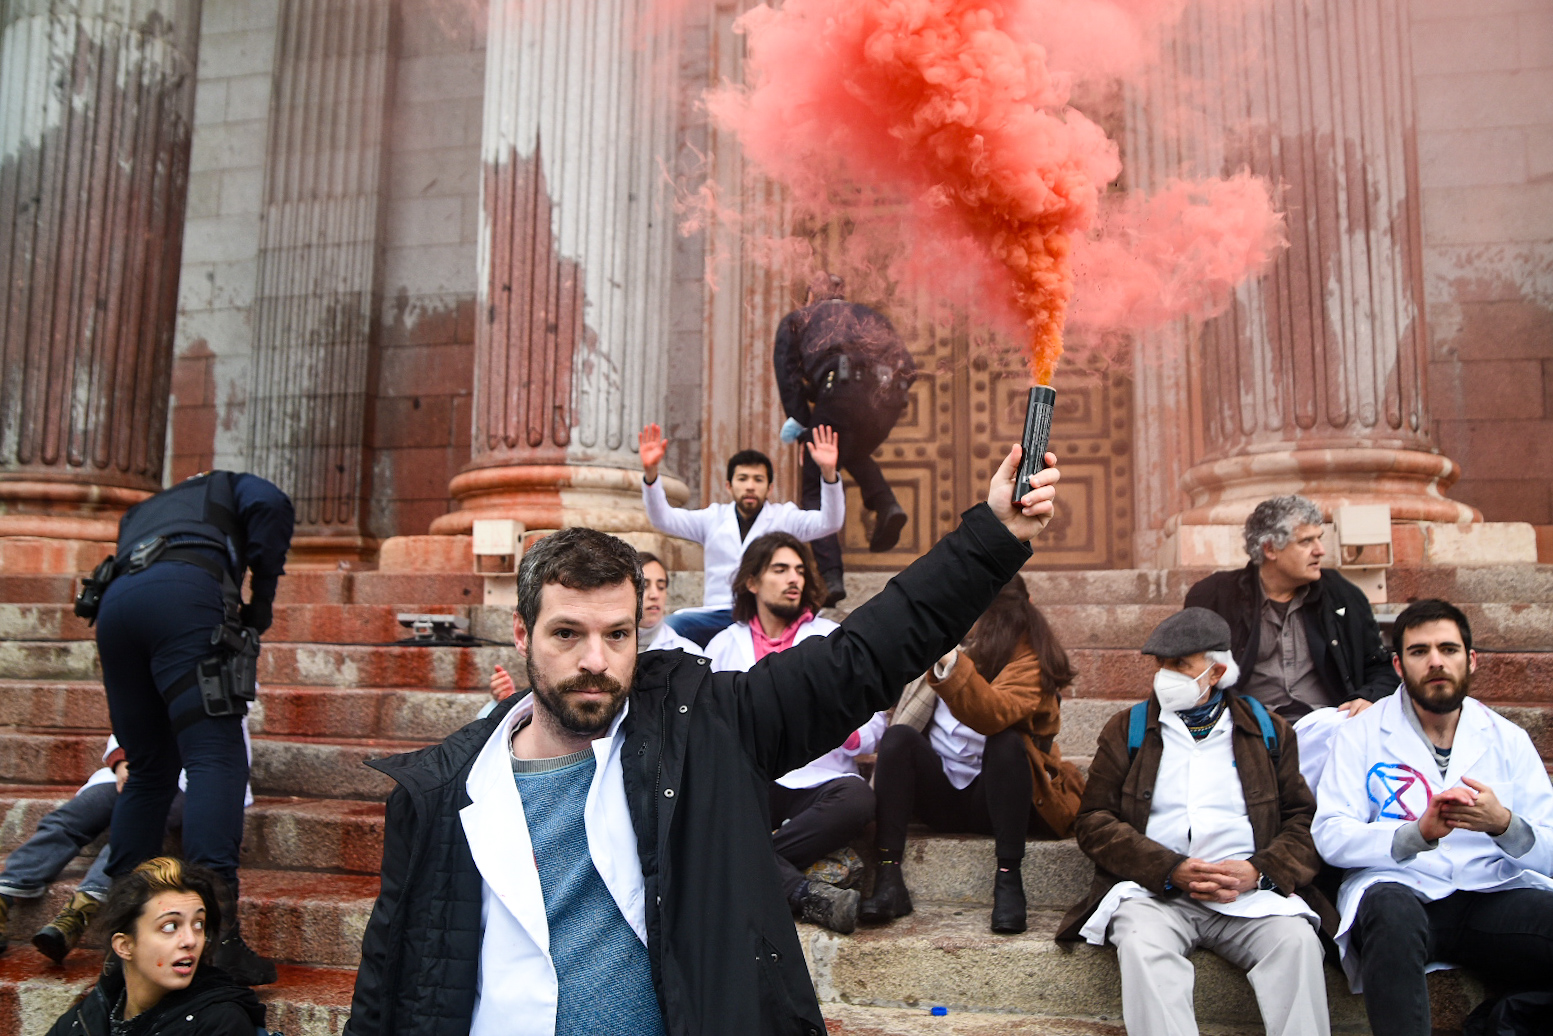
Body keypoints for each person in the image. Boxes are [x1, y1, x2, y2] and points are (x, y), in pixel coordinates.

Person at [343, 445, 1062, 1036]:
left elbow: (863, 657)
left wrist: (990, 536)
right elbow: (386, 983)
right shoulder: (440, 792)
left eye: (616, 634)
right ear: (522, 635)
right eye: (567, 633)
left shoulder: (705, 726)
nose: (595, 659)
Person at [1056, 608, 1333, 1036]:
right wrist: (1169, 869)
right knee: (1143, 946)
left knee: (1297, 945)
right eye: (1161, 665)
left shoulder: (1269, 731)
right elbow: (1093, 820)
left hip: (1248, 896)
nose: (1165, 675)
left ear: (1216, 671)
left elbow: (1302, 821)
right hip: (1155, 893)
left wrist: (1258, 872)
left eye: (1180, 665)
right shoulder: (1126, 729)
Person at [1311, 599, 1553, 1036]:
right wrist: (1415, 834)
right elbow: (1330, 834)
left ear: (1471, 659)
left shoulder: (1507, 739)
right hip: (1404, 891)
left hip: (1490, 894)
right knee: (1388, 910)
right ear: (1399, 666)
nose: (1436, 661)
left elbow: (1550, 848)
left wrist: (1504, 824)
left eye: (1449, 649)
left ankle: (1500, 1023)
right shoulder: (1360, 734)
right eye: (1420, 652)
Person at [94, 469, 294, 985]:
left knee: (149, 771)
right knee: (214, 756)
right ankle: (218, 935)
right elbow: (272, 505)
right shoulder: (234, 482)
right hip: (182, 594)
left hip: (115, 604)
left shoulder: (145, 508)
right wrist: (261, 601)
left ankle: (124, 936)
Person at [861, 576, 1084, 934]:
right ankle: (888, 877)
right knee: (899, 738)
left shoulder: (1029, 657)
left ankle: (1009, 881)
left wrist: (952, 664)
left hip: (999, 799)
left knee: (1007, 742)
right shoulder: (940, 641)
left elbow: (992, 714)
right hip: (942, 796)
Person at [706, 532, 886, 934]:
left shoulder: (830, 639)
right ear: (752, 581)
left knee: (857, 798)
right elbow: (704, 725)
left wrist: (842, 727)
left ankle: (742, 865)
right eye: (780, 569)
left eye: (800, 571)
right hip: (750, 783)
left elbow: (875, 727)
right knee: (711, 803)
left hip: (817, 786)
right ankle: (805, 892)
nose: (794, 579)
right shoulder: (722, 646)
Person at [0, 726, 253, 963]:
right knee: (69, 819)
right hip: (130, 774)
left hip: (184, 786)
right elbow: (127, 724)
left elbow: (223, 754)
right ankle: (7, 890)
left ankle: (79, 912)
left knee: (135, 828)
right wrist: (120, 761)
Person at [1184, 494, 1394, 721]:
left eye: (1319, 538)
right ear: (1270, 549)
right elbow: (1186, 671)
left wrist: (1367, 697)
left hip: (1327, 726)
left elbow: (1380, 667)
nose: (1320, 550)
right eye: (1306, 541)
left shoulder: (1342, 595)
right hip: (1248, 730)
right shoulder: (1216, 596)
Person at [774, 272, 918, 598]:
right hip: (888, 399)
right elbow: (909, 366)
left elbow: (789, 378)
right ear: (843, 293)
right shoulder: (872, 316)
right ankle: (886, 504)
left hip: (840, 393)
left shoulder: (798, 319)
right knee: (847, 450)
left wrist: (803, 429)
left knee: (815, 482)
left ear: (812, 295)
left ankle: (831, 577)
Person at [639, 422, 844, 642]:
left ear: (770, 488)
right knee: (673, 627)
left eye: (758, 480)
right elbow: (664, 519)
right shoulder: (712, 518)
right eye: (742, 479)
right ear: (729, 485)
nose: (750, 486)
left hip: (767, 612)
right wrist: (651, 474)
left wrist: (828, 473)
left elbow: (829, 522)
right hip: (719, 614)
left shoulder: (785, 518)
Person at [44, 856, 268, 1036]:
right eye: (170, 927)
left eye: (198, 924)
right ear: (124, 945)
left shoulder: (220, 1022)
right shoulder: (88, 1018)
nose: (190, 940)